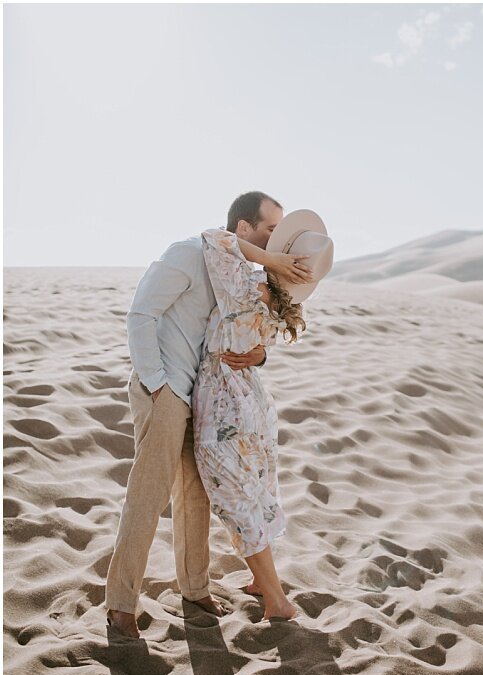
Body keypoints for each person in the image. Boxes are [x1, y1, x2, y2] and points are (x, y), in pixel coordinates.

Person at [105, 191, 312, 639]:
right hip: (165, 389)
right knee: (149, 494)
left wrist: (257, 357)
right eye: (272, 230)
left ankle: (194, 588)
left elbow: (236, 336)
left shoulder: (237, 274)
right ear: (243, 228)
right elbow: (140, 314)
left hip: (203, 400)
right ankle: (121, 605)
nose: (277, 242)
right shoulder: (190, 252)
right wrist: (156, 382)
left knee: (195, 496)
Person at [193, 209, 334, 622]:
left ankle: (278, 602)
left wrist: (268, 259)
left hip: (224, 406)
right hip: (254, 405)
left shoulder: (243, 286)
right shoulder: (282, 303)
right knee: (256, 492)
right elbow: (259, 347)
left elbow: (212, 236)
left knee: (236, 500)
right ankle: (261, 583)